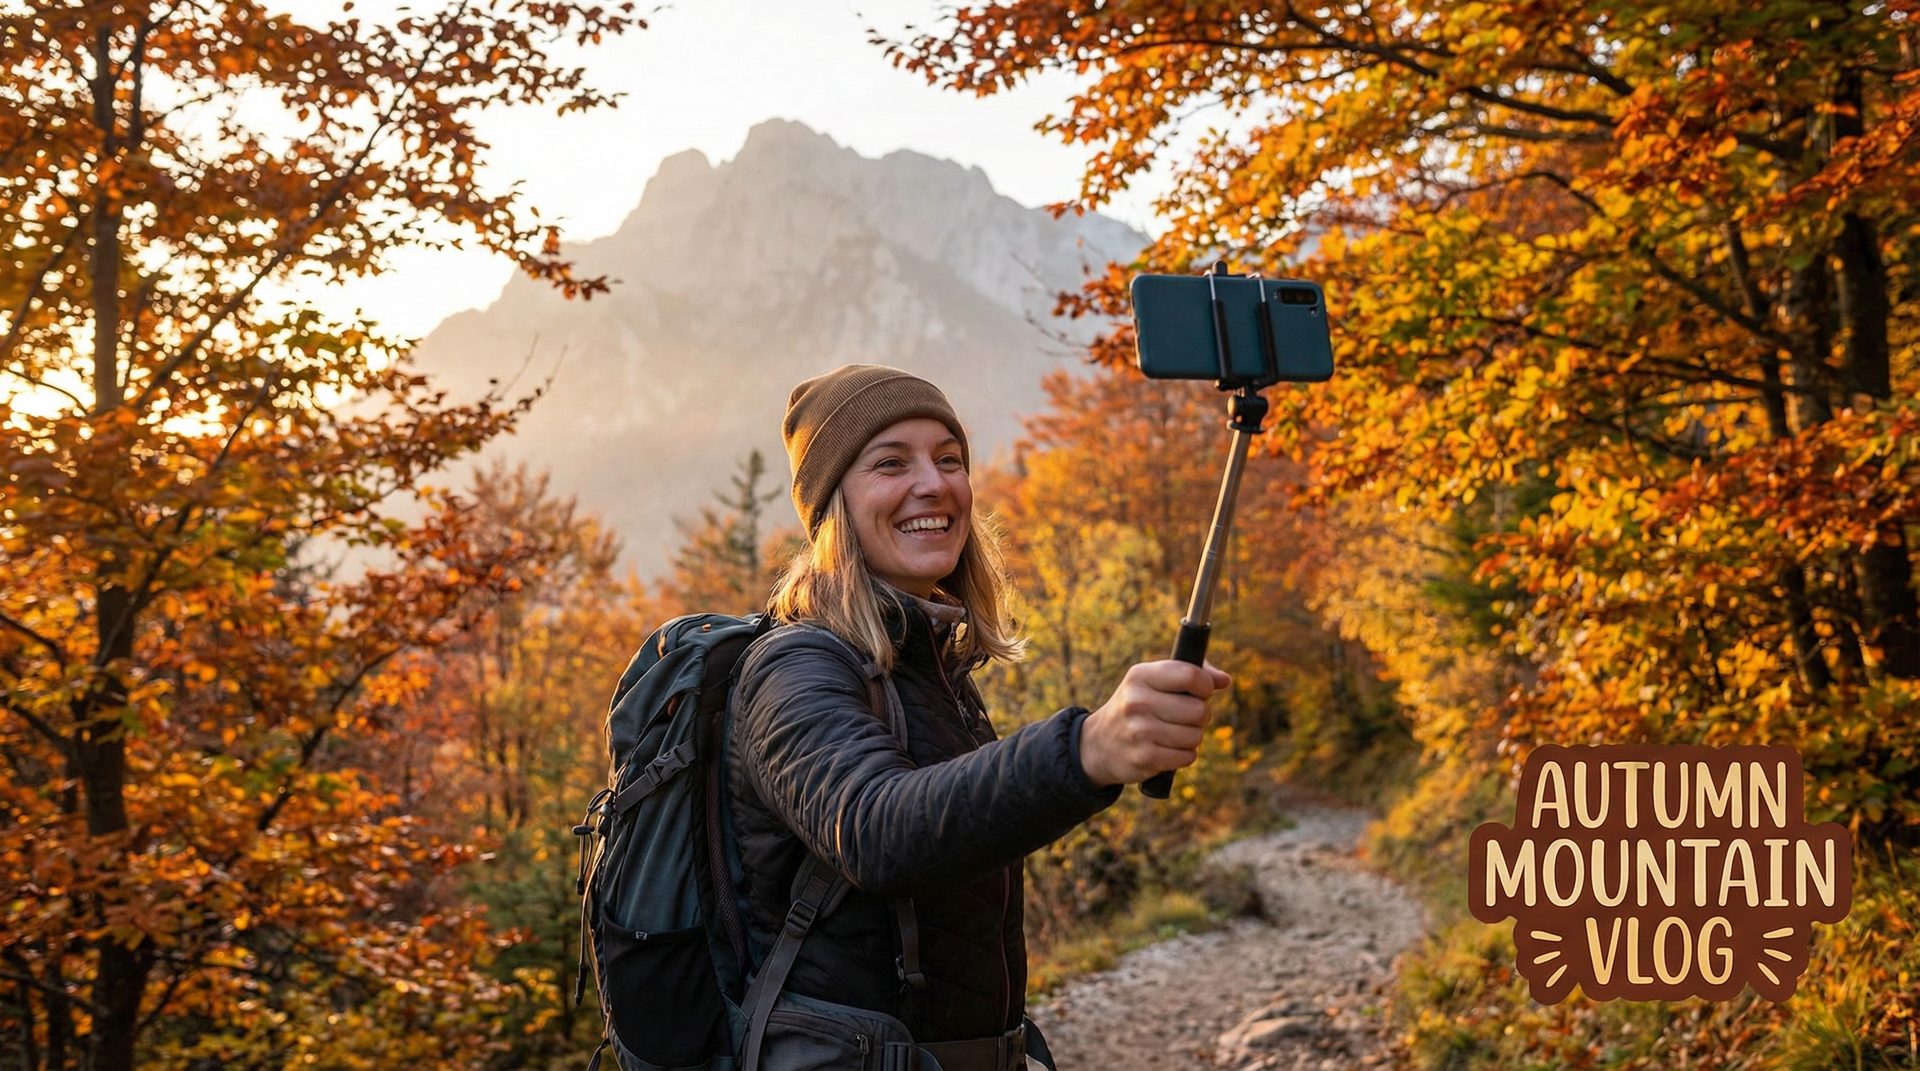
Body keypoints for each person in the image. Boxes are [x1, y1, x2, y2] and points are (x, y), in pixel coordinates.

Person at [729, 364, 1231, 1070]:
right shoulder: (795, 667)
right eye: (891, 463)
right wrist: (1085, 749)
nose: (934, 483)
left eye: (950, 458)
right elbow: (875, 829)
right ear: (832, 504)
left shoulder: (936, 671)